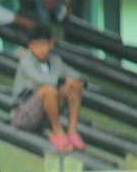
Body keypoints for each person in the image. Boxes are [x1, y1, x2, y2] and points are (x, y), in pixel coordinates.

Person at [11, 24, 86, 153]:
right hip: (23, 114)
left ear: (51, 44)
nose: (40, 49)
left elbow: (76, 75)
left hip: (45, 115)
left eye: (44, 45)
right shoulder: (27, 61)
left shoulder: (55, 61)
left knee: (73, 89)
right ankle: (57, 132)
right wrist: (65, 81)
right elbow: (40, 78)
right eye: (36, 45)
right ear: (30, 46)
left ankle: (72, 131)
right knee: (49, 90)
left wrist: (78, 83)